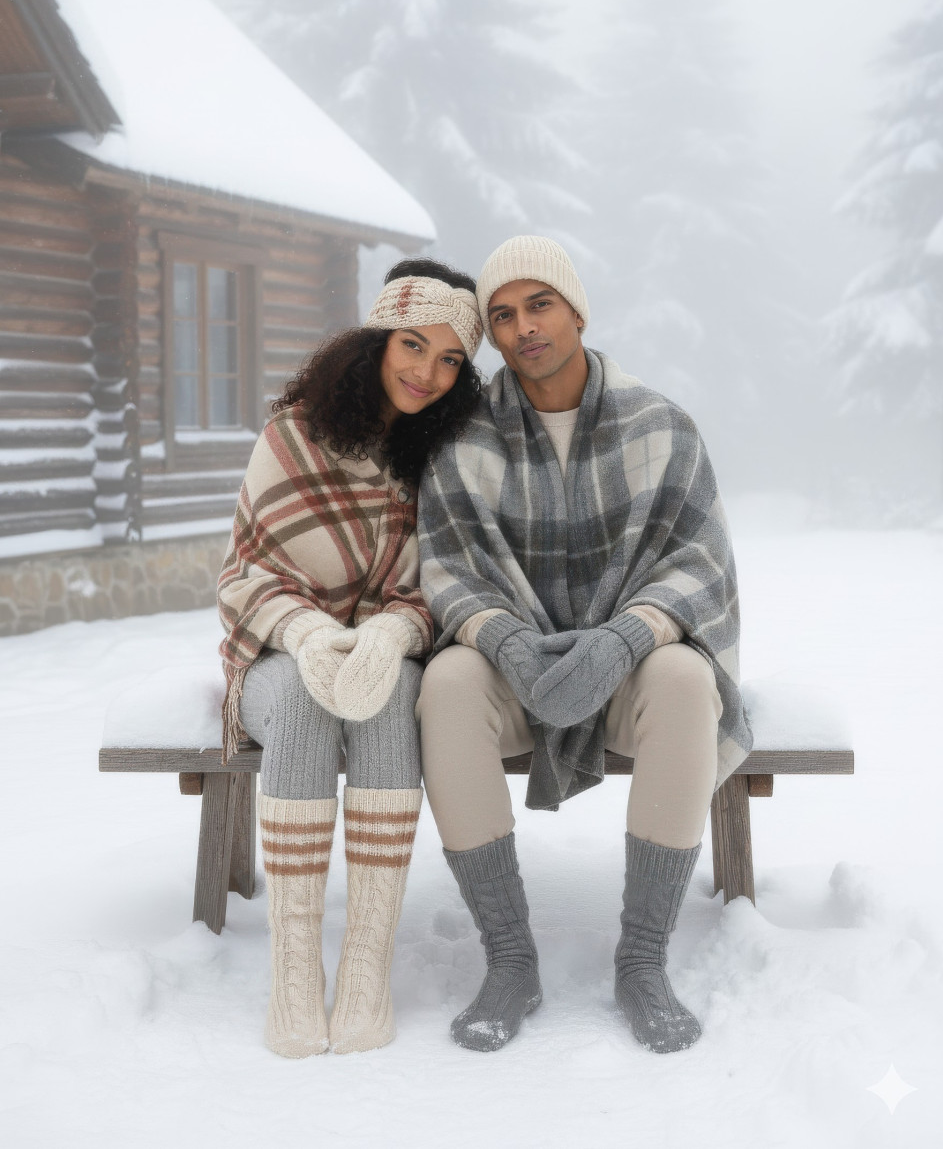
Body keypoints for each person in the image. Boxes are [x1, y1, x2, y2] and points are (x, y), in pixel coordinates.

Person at [417, 235, 752, 1054]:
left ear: (575, 311)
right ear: (491, 336)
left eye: (540, 305)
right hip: (513, 669)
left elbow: (700, 561)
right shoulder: (464, 438)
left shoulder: (660, 424)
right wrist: (509, 645)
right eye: (503, 315)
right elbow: (446, 567)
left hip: (628, 671)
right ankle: (508, 959)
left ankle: (642, 963)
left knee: (680, 677)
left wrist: (620, 642)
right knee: (450, 682)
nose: (524, 327)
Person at [218, 258, 483, 1057]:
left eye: (450, 360)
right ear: (374, 341)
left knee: (391, 695)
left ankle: (366, 964)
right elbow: (245, 574)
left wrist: (393, 633)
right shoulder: (292, 435)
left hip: (382, 653)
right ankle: (296, 971)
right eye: (412, 345)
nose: (426, 373)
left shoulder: (440, 457)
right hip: (276, 652)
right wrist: (306, 633)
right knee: (304, 700)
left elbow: (447, 583)